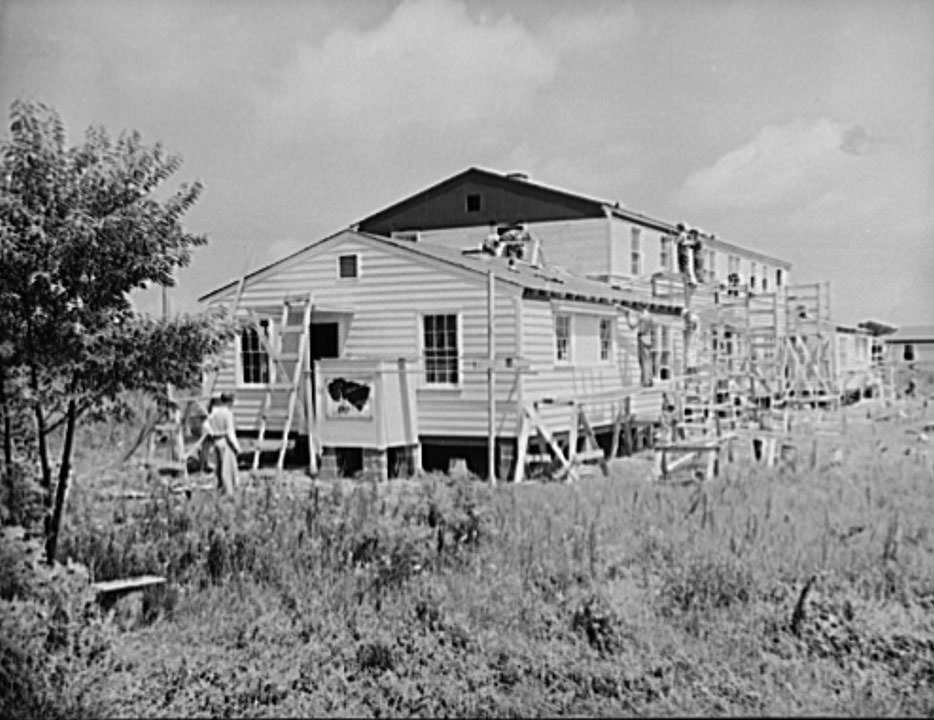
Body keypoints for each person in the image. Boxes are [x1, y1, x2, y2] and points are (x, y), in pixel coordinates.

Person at [202, 392, 241, 494]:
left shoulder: (214, 412)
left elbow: (205, 425)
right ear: (229, 402)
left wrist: (212, 432)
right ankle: (229, 490)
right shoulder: (228, 414)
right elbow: (230, 432)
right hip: (225, 441)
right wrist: (237, 447)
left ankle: (220, 487)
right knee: (227, 466)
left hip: (216, 440)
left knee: (219, 465)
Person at [626, 307, 655, 387]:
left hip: (642, 337)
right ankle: (649, 380)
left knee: (643, 360)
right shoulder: (650, 316)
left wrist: (627, 316)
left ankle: (645, 382)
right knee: (648, 359)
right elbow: (652, 328)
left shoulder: (642, 317)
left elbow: (632, 326)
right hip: (648, 337)